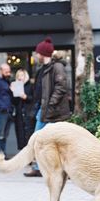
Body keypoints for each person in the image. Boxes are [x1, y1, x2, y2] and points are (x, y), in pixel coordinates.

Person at [24, 37, 71, 177]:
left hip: (53, 111)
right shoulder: (44, 68)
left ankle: (65, 170)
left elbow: (61, 87)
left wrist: (50, 104)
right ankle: (39, 168)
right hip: (44, 110)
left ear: (43, 53)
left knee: (56, 143)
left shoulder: (57, 67)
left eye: (38, 53)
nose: (36, 55)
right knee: (38, 141)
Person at [11, 69, 35, 150]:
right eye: (18, 76)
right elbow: (14, 102)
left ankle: (30, 157)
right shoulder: (16, 86)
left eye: (21, 75)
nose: (20, 77)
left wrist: (26, 97)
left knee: (28, 134)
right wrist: (12, 92)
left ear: (25, 76)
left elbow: (34, 99)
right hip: (19, 114)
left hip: (28, 113)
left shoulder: (30, 85)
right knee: (20, 135)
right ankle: (22, 155)